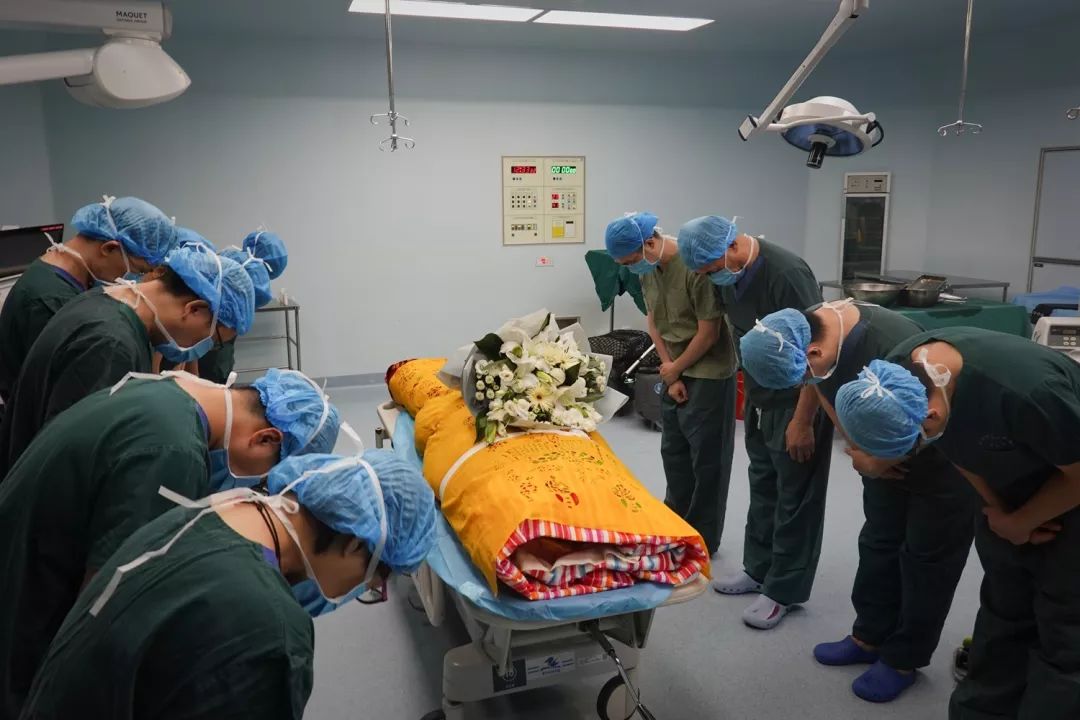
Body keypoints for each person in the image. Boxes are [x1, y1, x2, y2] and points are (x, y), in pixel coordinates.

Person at [0, 368, 339, 720]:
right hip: (29, 613)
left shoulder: (166, 397)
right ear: (265, 439)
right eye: (266, 478)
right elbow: (110, 606)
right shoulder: (173, 455)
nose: (256, 488)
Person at [18, 451, 437, 720]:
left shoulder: (215, 512)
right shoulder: (269, 628)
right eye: (372, 581)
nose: (360, 591)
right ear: (355, 543)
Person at [834, 327, 1080, 720]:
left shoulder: (1027, 390)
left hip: (1071, 474)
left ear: (929, 416)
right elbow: (959, 449)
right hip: (1011, 477)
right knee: (1003, 608)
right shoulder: (898, 374)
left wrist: (1024, 520)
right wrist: (1002, 514)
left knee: (1064, 627)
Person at [740, 303, 976, 701]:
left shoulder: (897, 345)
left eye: (803, 373)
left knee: (926, 559)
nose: (806, 381)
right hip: (880, 456)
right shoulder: (806, 330)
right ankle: (869, 636)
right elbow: (822, 385)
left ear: (814, 352)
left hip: (941, 458)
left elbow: (932, 417)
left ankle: (903, 658)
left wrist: (878, 459)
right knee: (878, 542)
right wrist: (857, 446)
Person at [678, 215, 833, 630]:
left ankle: (784, 589)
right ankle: (758, 568)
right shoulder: (725, 274)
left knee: (795, 492)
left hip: (798, 397)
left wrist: (803, 420)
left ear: (732, 247)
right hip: (762, 394)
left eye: (710, 269)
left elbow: (818, 353)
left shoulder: (787, 274)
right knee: (763, 481)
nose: (709, 278)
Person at [0, 246, 254, 476]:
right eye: (213, 340)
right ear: (194, 309)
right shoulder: (110, 345)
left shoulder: (104, 301)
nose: (204, 348)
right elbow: (78, 458)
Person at [604, 211, 736, 555]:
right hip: (673, 366)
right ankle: (674, 524)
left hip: (708, 371)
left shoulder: (696, 269)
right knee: (674, 452)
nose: (631, 268)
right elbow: (654, 321)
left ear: (650, 243)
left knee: (707, 459)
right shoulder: (649, 270)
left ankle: (702, 538)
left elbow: (709, 333)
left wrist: (678, 367)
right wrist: (669, 368)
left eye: (631, 261)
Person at [0, 196, 177, 406]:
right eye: (138, 271)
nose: (135, 281)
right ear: (109, 248)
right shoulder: (49, 300)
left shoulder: (70, 278)